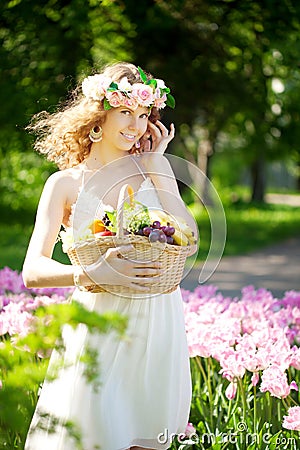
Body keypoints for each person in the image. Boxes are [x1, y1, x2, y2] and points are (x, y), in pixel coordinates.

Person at [23, 62, 198, 450]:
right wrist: (90, 272)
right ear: (98, 115)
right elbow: (32, 270)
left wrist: (157, 163)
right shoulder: (64, 184)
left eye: (142, 115)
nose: (135, 126)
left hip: (158, 321)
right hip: (100, 321)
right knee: (96, 436)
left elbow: (190, 238)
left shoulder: (155, 169)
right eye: (125, 112)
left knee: (145, 439)